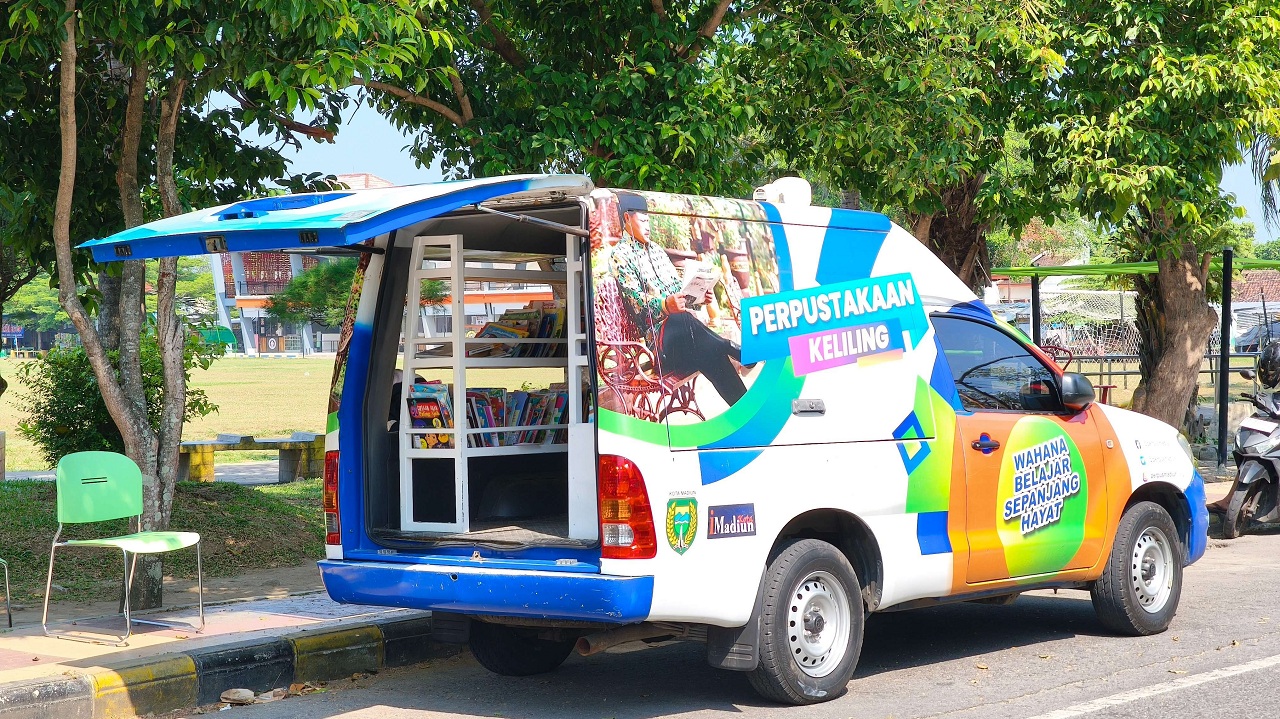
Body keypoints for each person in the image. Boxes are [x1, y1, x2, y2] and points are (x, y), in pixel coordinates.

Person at [609, 194, 748, 406]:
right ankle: (731, 347)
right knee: (679, 320)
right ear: (627, 219)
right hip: (660, 346)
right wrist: (666, 306)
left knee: (709, 351)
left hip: (686, 340)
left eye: (649, 221)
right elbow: (635, 302)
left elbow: (677, 291)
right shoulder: (620, 255)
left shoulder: (656, 250)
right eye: (643, 220)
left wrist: (698, 297)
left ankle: (744, 410)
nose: (648, 226)